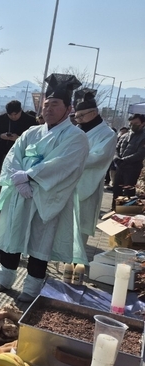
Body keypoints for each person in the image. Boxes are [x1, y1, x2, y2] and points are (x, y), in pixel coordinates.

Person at [0, 74, 89, 303]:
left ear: (68, 109)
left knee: (40, 242)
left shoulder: (76, 137)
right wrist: (19, 179)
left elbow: (63, 164)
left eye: (55, 104)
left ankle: (32, 287)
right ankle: (4, 279)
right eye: (46, 104)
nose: (49, 109)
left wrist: (29, 175)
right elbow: (13, 156)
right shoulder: (31, 132)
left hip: (47, 196)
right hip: (21, 193)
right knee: (12, 235)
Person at [71, 93, 117, 249]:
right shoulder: (75, 130)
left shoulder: (107, 134)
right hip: (68, 180)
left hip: (88, 182)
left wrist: (70, 159)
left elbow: (98, 157)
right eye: (76, 116)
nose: (78, 119)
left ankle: (76, 256)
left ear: (94, 112)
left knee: (81, 222)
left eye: (81, 116)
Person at [0, 100, 37, 213]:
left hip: (21, 155)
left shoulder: (30, 120)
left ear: (20, 111)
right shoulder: (0, 119)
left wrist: (19, 138)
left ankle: (14, 206)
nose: (13, 117)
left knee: (17, 180)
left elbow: (36, 138)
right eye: (10, 115)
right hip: (1, 153)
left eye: (15, 114)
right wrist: (1, 136)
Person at [112, 113, 145, 210]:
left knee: (128, 193)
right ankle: (114, 211)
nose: (132, 126)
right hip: (120, 167)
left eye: (136, 123)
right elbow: (116, 148)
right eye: (131, 124)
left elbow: (140, 153)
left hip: (133, 169)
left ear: (143, 123)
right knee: (116, 190)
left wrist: (124, 160)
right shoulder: (125, 136)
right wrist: (116, 158)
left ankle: (126, 213)